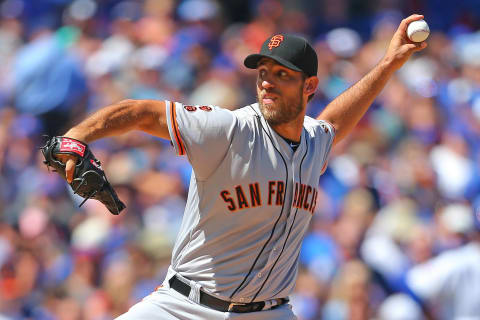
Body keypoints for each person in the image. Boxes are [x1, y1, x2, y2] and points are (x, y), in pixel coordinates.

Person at [54, 14, 426, 320]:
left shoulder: (314, 141)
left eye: (282, 75)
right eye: (263, 72)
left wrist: (389, 63)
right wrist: (77, 136)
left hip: (269, 313)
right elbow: (140, 113)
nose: (267, 83)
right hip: (185, 306)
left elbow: (335, 124)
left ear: (309, 85)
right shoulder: (229, 129)